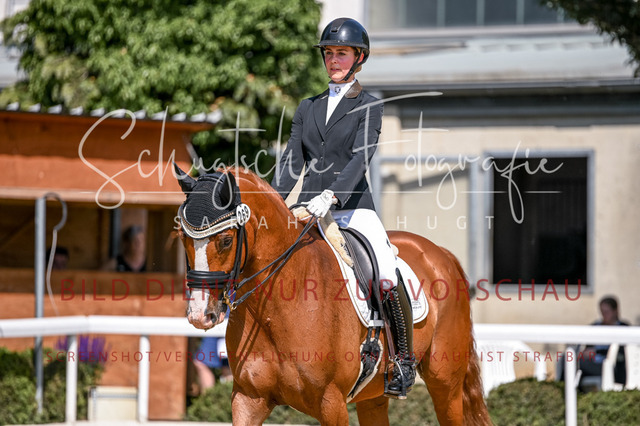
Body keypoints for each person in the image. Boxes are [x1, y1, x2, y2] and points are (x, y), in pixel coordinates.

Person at [270, 17, 415, 399]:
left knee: (384, 270)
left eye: (342, 53)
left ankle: (403, 359)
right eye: (329, 53)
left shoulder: (369, 105)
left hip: (353, 208)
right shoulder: (308, 107)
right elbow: (292, 161)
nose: (333, 60)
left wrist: (331, 195)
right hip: (308, 208)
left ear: (358, 58)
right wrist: (273, 203)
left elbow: (360, 158)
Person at [578, 296, 629, 387]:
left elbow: (623, 353)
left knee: (578, 364)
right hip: (593, 363)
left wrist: (597, 351)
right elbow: (587, 347)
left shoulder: (624, 328)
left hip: (613, 365)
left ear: (615, 311)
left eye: (607, 312)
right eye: (602, 312)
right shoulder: (595, 327)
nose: (604, 315)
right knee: (569, 360)